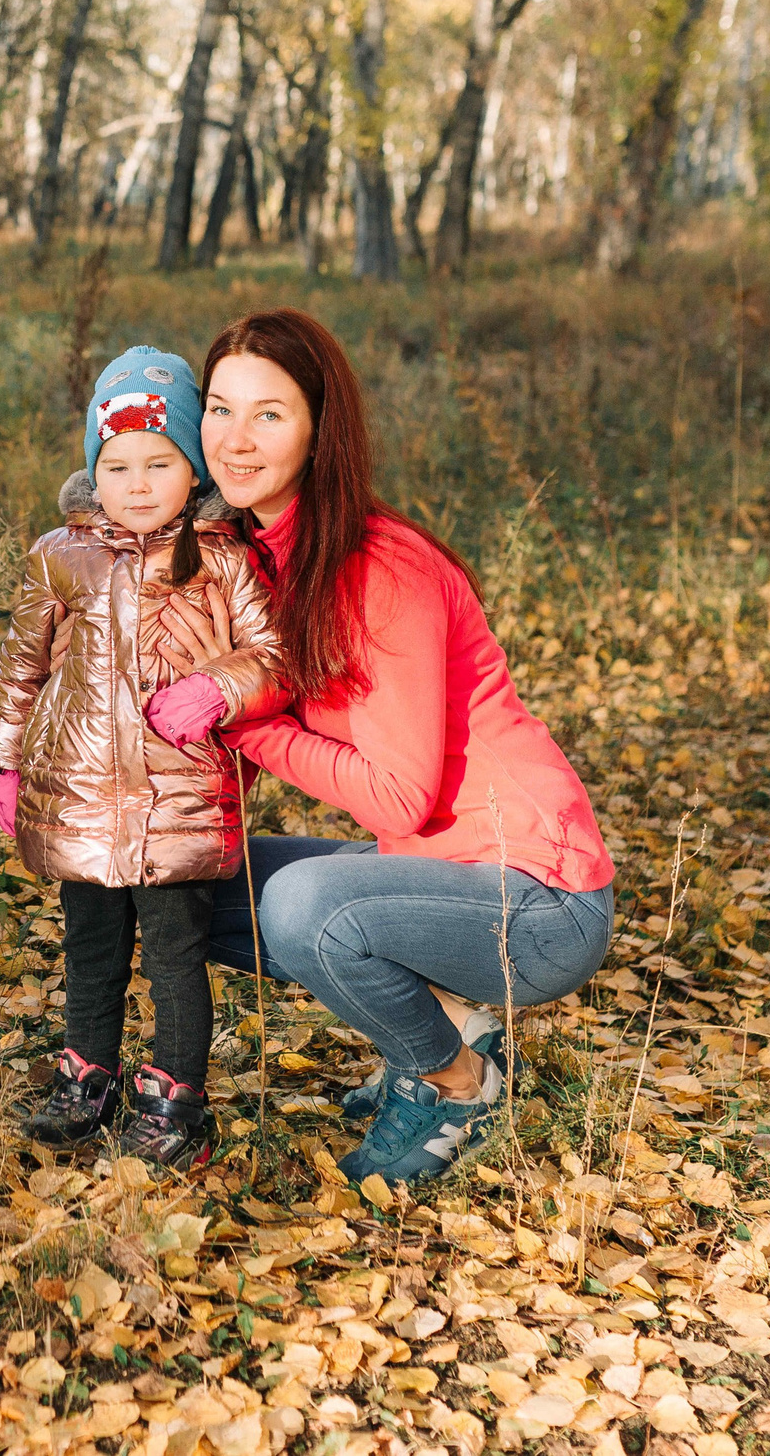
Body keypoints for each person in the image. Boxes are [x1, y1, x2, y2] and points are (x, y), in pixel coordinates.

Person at [159, 308, 617, 1187]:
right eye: (220, 408)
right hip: (438, 867)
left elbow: (401, 796)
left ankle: (457, 1082)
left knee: (300, 906)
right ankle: (452, 1020)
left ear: (320, 429)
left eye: (270, 413)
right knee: (192, 881)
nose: (236, 439)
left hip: (540, 898)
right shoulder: (259, 556)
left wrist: (243, 719)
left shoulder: (378, 567)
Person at [0, 348, 288, 1169]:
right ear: (93, 471)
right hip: (80, 796)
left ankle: (174, 1094)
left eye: (161, 462)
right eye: (117, 465)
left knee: (173, 954)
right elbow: (23, 663)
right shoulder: (62, 553)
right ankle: (90, 1073)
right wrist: (4, 759)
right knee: (89, 946)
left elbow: (272, 653)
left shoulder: (223, 558)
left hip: (177, 802)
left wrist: (219, 688)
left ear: (193, 469)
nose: (139, 483)